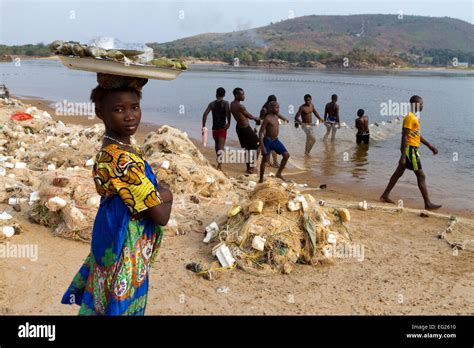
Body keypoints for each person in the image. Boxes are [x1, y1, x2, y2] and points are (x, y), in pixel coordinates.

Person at [61, 73, 173, 315]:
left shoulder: (117, 146)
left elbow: (140, 195)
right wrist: (167, 193)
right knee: (120, 302)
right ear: (101, 112)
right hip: (124, 244)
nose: (130, 115)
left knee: (106, 297)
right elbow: (160, 216)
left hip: (112, 234)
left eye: (135, 107)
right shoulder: (121, 158)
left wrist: (155, 193)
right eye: (119, 109)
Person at [380, 95, 441, 210]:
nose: (423, 105)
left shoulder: (414, 117)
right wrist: (403, 155)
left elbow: (416, 135)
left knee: (398, 173)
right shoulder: (409, 118)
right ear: (415, 104)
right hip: (410, 150)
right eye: (421, 104)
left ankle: (385, 195)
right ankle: (427, 204)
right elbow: (404, 136)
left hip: (411, 149)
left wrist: (429, 145)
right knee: (421, 175)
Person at [230, 87, 261, 173]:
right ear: (236, 95)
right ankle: (252, 166)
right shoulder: (240, 106)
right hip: (245, 129)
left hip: (239, 128)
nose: (244, 96)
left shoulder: (231, 104)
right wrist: (257, 119)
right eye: (242, 94)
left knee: (247, 148)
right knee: (258, 145)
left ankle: (248, 168)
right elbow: (249, 116)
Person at [259, 101, 290, 183]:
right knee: (265, 160)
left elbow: (280, 115)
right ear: (271, 109)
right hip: (267, 141)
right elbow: (261, 132)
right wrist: (262, 147)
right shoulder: (267, 118)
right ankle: (261, 178)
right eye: (277, 108)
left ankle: (279, 173)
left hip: (275, 140)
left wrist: (285, 119)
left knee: (286, 155)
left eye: (279, 107)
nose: (278, 109)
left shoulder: (276, 115)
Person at [202, 87, 231, 171]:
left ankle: (218, 161)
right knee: (221, 147)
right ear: (224, 95)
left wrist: (203, 125)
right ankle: (219, 164)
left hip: (214, 129)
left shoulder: (212, 104)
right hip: (222, 128)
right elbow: (228, 114)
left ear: (216, 94)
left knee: (217, 145)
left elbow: (205, 114)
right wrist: (228, 123)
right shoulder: (225, 103)